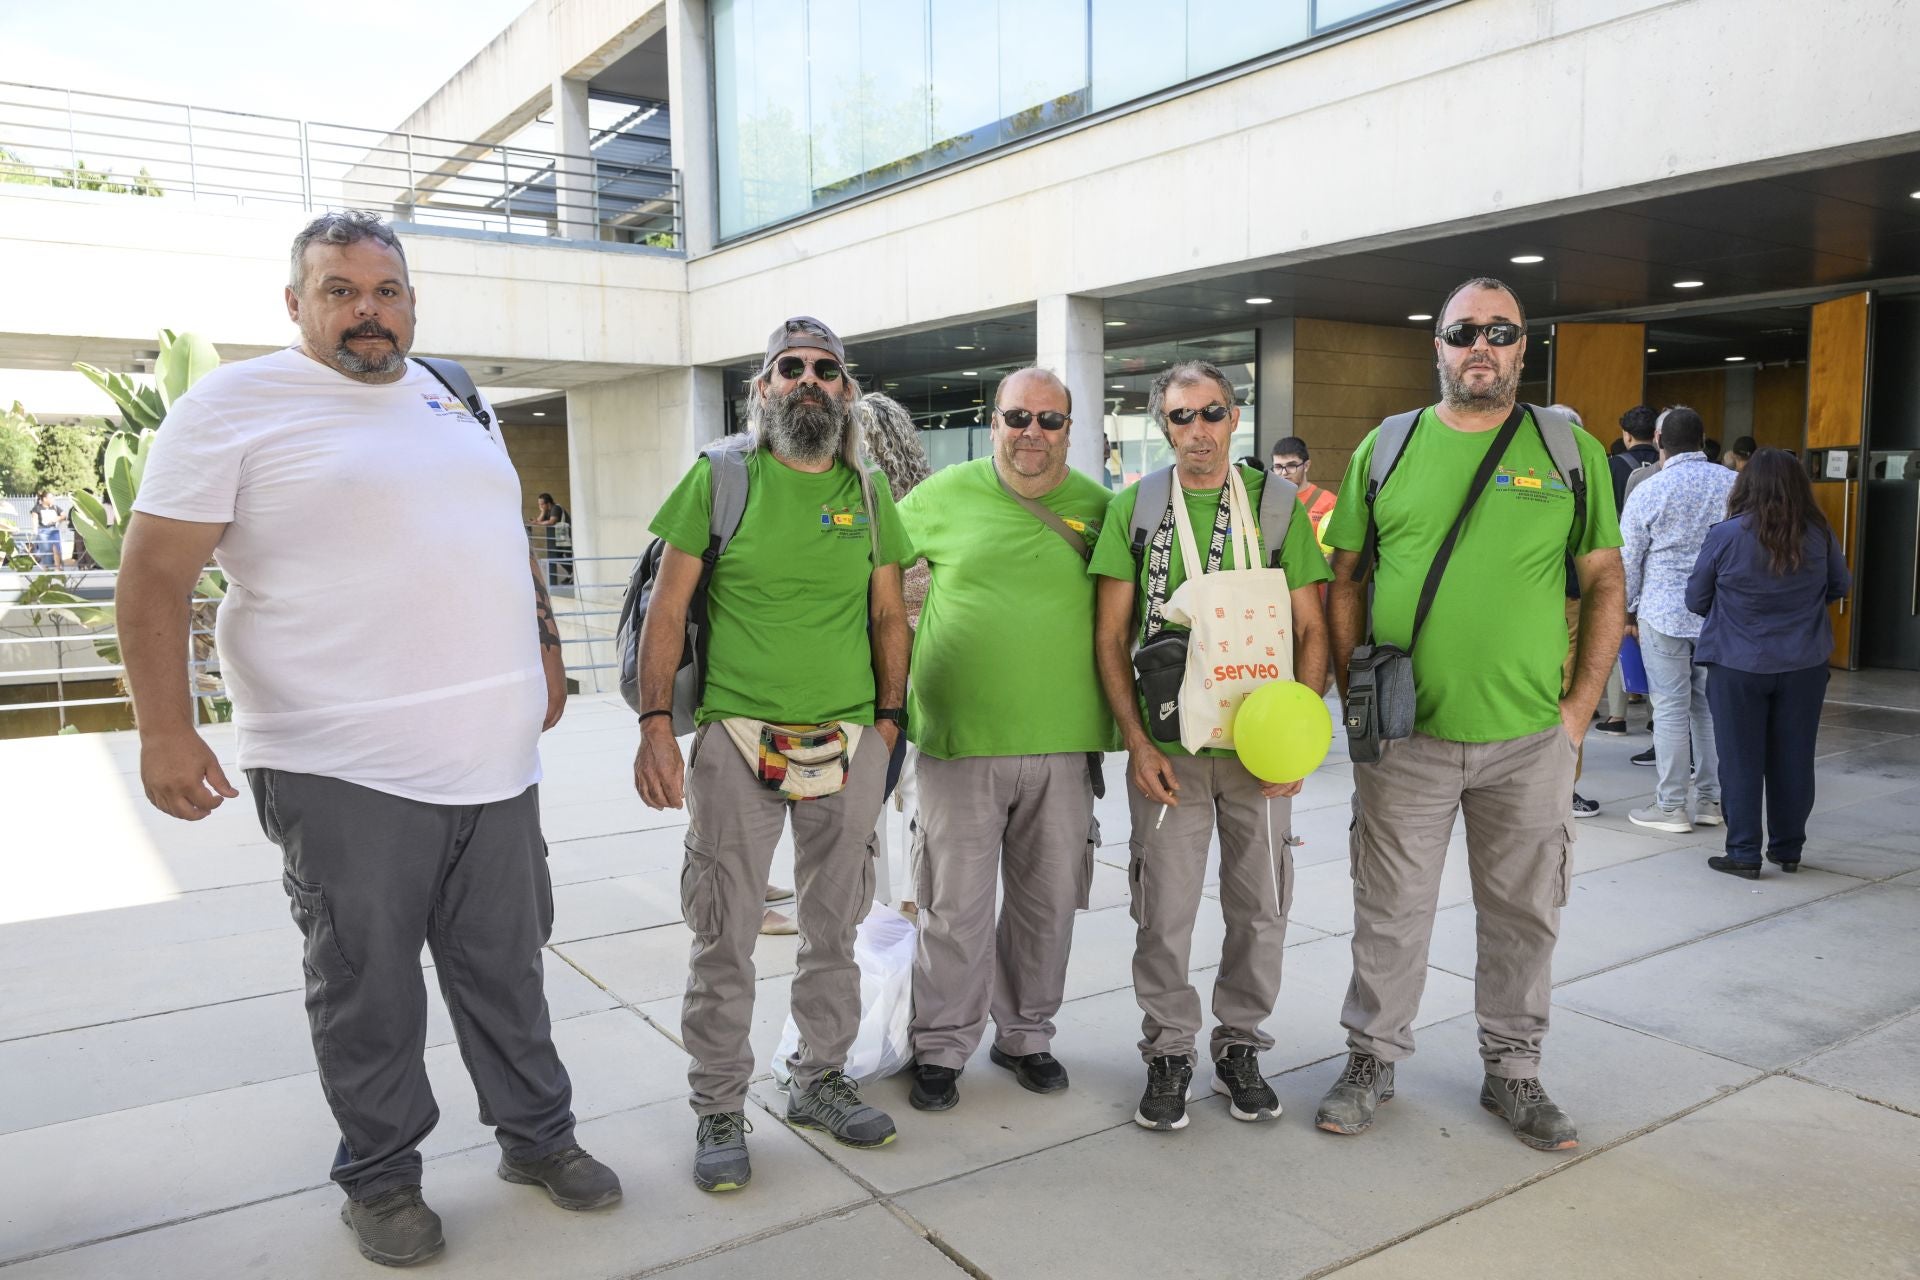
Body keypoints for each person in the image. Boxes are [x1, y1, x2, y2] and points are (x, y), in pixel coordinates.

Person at [116, 210, 616, 1268]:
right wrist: (165, 728)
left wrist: (544, 650)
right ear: (295, 303)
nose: (366, 310)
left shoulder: (451, 391)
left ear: (412, 300)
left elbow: (502, 535)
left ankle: (537, 1137)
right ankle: (382, 1177)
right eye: (339, 290)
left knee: (506, 967)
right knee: (368, 983)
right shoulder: (232, 407)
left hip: (495, 756)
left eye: (385, 290)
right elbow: (152, 575)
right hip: (340, 763)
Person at [1317, 276, 1623, 1152]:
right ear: (1438, 346)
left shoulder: (1569, 450)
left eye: (1500, 331)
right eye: (1463, 331)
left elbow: (1604, 579)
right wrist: (1353, 696)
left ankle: (1514, 1072)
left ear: (1525, 348)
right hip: (1406, 740)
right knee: (1390, 908)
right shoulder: (1388, 445)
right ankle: (1372, 1058)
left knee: (1525, 912)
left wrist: (1578, 712)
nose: (1480, 346)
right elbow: (1343, 579)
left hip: (1529, 741)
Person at [634, 315, 911, 1193]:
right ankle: (719, 1105)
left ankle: (818, 1079)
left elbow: (887, 614)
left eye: (825, 370)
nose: (808, 382)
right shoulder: (721, 479)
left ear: (845, 390)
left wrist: (892, 721)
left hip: (847, 739)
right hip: (737, 737)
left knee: (835, 927)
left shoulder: (868, 496)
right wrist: (653, 726)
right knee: (724, 931)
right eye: (789, 368)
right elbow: (667, 612)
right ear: (762, 387)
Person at [1090, 359, 1332, 1132]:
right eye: (1181, 417)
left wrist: (1296, 743)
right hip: (1171, 751)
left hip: (1260, 756)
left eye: (1212, 414)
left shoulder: (1279, 505)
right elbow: (1109, 636)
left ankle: (1240, 1047)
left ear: (1236, 417)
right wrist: (1136, 741)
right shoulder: (1137, 508)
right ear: (1164, 425)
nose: (1198, 431)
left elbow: (1313, 629)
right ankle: (1167, 1051)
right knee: (1163, 911)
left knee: (1260, 908)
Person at [898, 367, 1117, 1113]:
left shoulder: (1100, 508)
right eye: (1017, 418)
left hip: (1065, 745)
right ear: (994, 422)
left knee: (1046, 905)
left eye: (1049, 421)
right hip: (960, 743)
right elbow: (870, 574)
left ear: (1069, 429)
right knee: (953, 906)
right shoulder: (941, 495)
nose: (1033, 434)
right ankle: (940, 1045)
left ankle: (1026, 1035)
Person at [1687, 448, 1849, 878]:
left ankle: (1743, 853)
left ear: (1746, 485)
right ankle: (1788, 848)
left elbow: (1696, 598)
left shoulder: (1726, 534)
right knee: (1794, 757)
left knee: (1739, 760)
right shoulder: (1818, 532)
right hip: (1803, 662)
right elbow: (1839, 584)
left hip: (1737, 661)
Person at [1620, 406, 1735, 834]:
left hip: (1662, 612)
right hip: (1718, 616)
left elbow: (1630, 558)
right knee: (1707, 710)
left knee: (1669, 709)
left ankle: (1671, 807)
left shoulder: (1650, 489)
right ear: (1704, 438)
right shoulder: (1734, 485)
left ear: (1658, 439)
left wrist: (1626, 610)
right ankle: (1710, 800)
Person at [853, 390, 933, 920]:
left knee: (865, 792)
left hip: (871, 664)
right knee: (920, 789)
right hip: (925, 662)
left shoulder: (858, 499)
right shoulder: (931, 499)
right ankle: (914, 899)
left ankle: (871, 904)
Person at [1594, 406, 1659, 737]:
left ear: (1626, 435)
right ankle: (1654, 715)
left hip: (1619, 562)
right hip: (1658, 569)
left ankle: (1617, 716)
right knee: (1655, 639)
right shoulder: (1666, 468)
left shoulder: (1612, 467)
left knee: (1617, 634)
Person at [1271, 436, 1338, 557]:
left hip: (1317, 573)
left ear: (1306, 466)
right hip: (1278, 574)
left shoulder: (1329, 502)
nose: (1284, 472)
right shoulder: (1267, 502)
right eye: (1278, 467)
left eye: (1291, 465)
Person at [532, 492, 572, 585]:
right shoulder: (547, 510)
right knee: (557, 555)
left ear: (548, 504)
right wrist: (542, 511)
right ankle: (571, 573)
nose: (540, 506)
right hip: (560, 538)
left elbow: (551, 522)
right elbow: (539, 521)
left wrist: (538, 523)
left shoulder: (555, 508)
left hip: (566, 537)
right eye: (539, 504)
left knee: (568, 556)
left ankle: (572, 574)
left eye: (542, 504)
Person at [30, 490, 64, 569]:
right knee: (45, 550)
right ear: (45, 499)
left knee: (57, 549)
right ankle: (46, 568)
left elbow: (64, 515)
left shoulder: (55, 507)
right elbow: (34, 519)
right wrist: (34, 530)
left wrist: (57, 518)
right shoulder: (37, 508)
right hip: (43, 531)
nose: (53, 499)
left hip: (54, 530)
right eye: (51, 498)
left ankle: (58, 568)